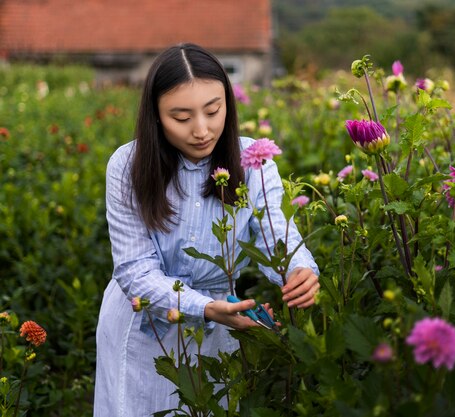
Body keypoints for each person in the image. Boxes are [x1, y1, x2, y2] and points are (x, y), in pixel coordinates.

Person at [94, 43, 319, 416]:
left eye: (213, 111)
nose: (201, 130)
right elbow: (134, 269)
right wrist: (204, 307)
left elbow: (276, 235)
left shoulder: (253, 163)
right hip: (143, 325)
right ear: (155, 117)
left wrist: (299, 271)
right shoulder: (128, 165)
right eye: (181, 117)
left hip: (220, 327)